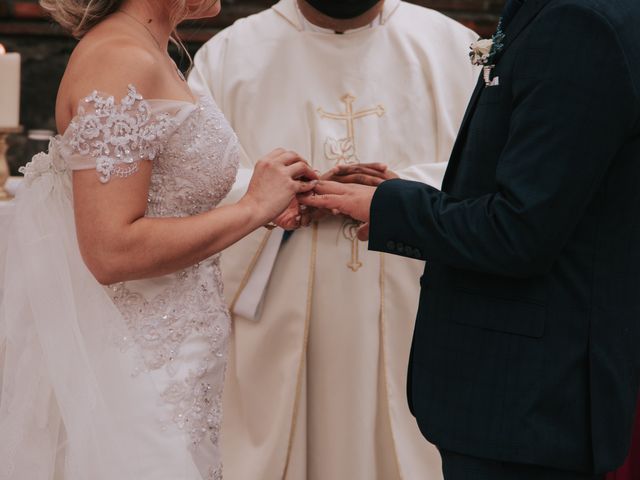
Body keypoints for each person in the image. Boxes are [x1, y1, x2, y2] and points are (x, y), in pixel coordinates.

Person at [301, 0, 640, 478]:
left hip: (529, 403)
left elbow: (520, 231)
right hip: (515, 402)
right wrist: (407, 198)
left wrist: (388, 207)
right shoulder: (550, 12)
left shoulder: (580, 23)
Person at [0, 0, 317, 478]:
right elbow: (111, 250)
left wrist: (270, 201)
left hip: (178, 363)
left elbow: (163, 195)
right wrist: (251, 208)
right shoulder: (118, 59)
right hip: (133, 365)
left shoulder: (153, 48)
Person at [188, 1, 478, 478]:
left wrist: (400, 195)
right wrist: (275, 197)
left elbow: (491, 182)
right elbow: (191, 189)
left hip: (417, 318)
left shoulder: (452, 49)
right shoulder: (231, 54)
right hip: (274, 322)